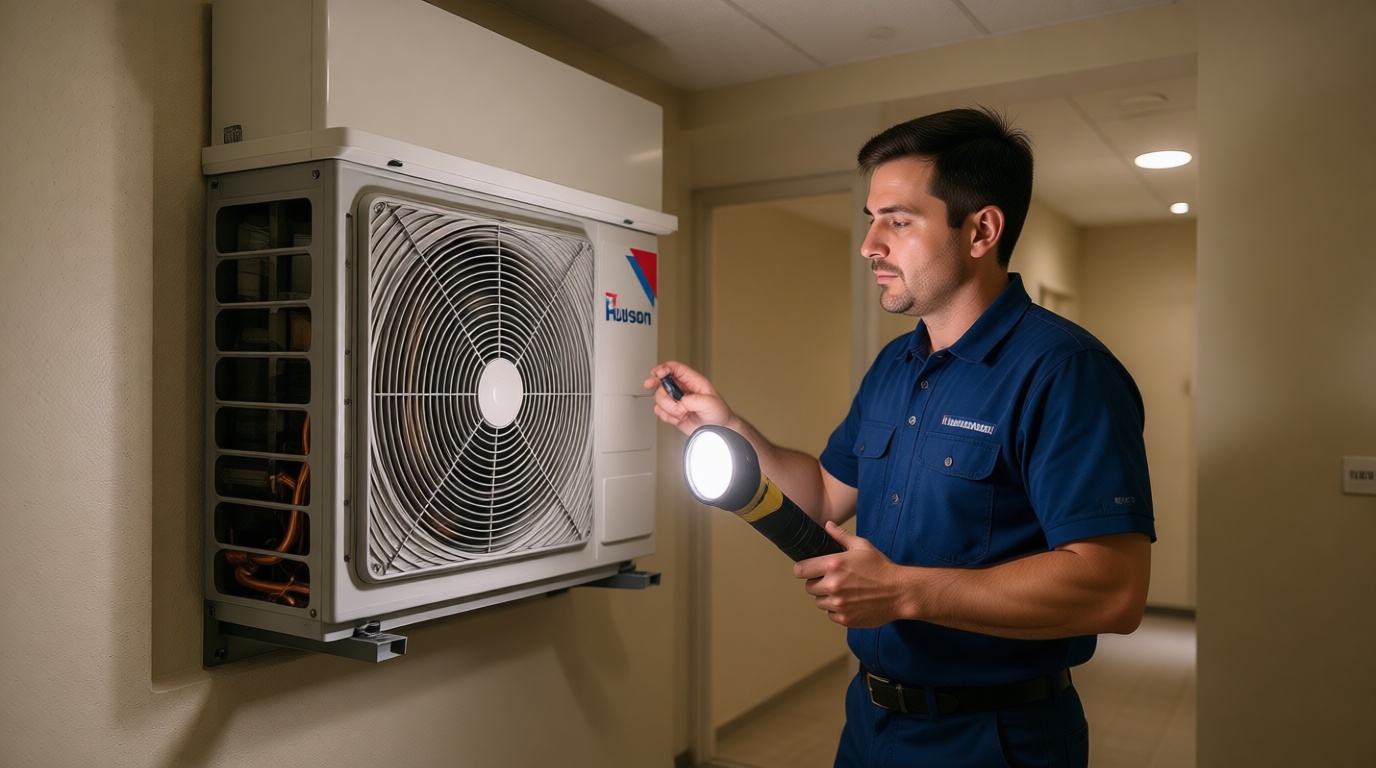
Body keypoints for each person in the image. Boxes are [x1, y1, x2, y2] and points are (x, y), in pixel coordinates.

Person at [646, 106, 1155, 767]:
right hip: (872, 723)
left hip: (995, 737)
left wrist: (904, 590)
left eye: (899, 220)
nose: (869, 244)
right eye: (871, 219)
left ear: (980, 231)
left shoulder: (1063, 372)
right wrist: (729, 426)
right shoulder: (896, 365)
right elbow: (825, 496)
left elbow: (1114, 589)